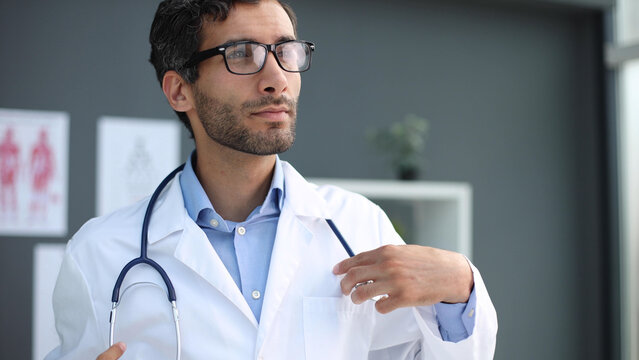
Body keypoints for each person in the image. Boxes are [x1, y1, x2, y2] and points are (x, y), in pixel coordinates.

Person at [47, 1, 497, 359]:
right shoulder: (100, 255)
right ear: (179, 90)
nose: (277, 78)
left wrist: (461, 287)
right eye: (242, 54)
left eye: (285, 51)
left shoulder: (357, 227)